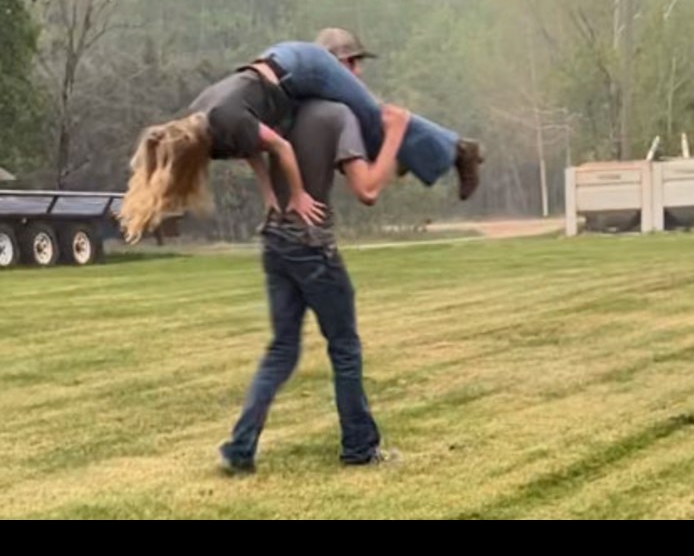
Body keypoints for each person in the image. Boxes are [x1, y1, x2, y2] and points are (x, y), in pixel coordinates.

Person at [118, 33, 483, 244]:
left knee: (375, 121)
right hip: (283, 66)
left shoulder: (218, 123)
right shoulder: (202, 130)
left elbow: (280, 146)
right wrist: (270, 199)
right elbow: (252, 152)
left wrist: (297, 195)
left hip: (303, 66)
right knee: (372, 130)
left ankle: (459, 150)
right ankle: (435, 153)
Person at [218, 99, 409, 474]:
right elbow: (367, 190)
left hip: (275, 240)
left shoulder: (279, 110)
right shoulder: (338, 114)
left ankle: (240, 448)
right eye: (354, 64)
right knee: (345, 347)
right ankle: (359, 448)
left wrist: (269, 195)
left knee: (282, 350)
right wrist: (396, 133)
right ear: (343, 67)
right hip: (312, 246)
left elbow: (247, 149)